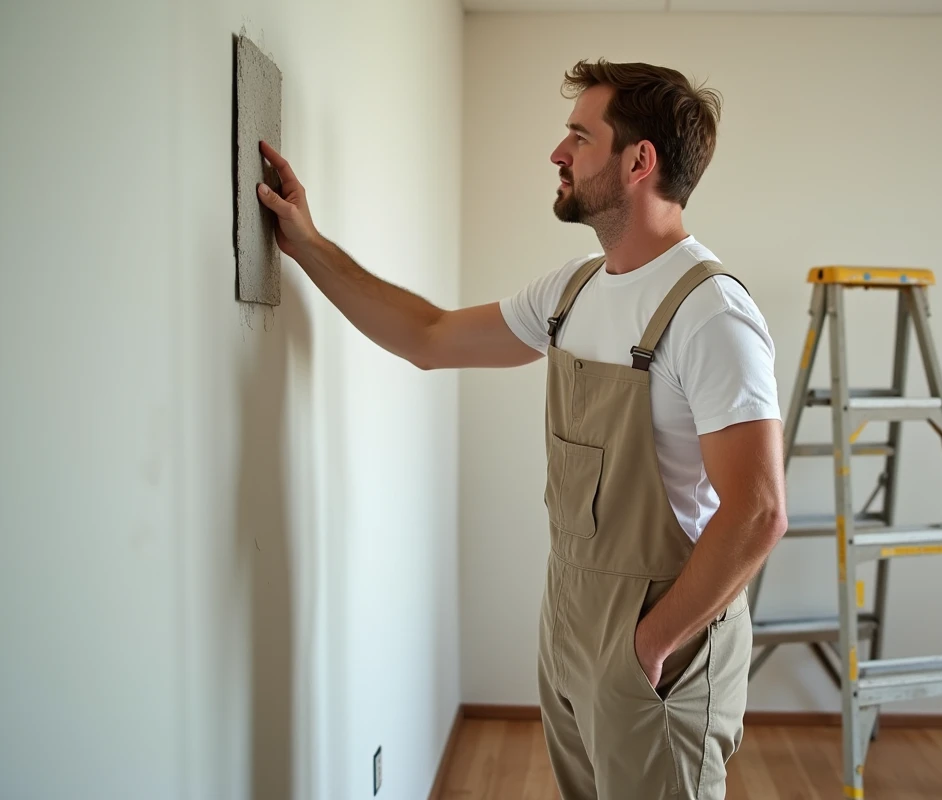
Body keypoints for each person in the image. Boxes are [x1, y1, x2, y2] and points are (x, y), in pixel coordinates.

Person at [256, 58, 789, 800]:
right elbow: (429, 337)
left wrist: (646, 645)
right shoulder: (572, 292)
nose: (558, 153)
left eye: (581, 136)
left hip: (659, 642)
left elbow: (758, 512)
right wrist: (308, 244)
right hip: (570, 619)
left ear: (639, 161)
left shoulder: (709, 314)